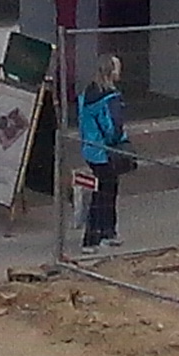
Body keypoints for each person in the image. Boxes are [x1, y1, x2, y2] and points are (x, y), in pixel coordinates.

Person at [76, 52, 132, 251]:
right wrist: (120, 141)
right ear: (111, 71)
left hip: (91, 149)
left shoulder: (87, 94)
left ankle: (106, 233)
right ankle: (94, 237)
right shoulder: (111, 97)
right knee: (105, 194)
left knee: (103, 191)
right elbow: (112, 128)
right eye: (117, 67)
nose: (120, 70)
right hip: (105, 151)